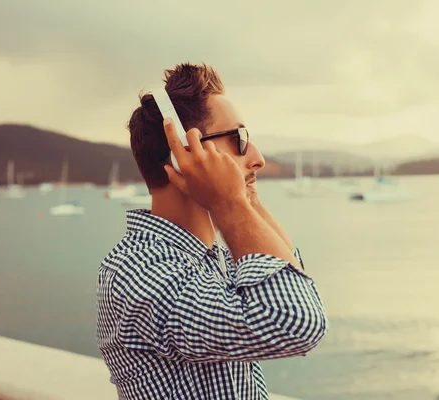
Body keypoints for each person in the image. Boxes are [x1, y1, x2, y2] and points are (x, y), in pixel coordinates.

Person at [96, 63, 328, 400]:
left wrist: (245, 198)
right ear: (182, 156)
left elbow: (293, 279)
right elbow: (296, 322)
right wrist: (230, 202)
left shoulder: (211, 257)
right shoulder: (140, 271)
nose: (259, 158)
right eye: (239, 138)